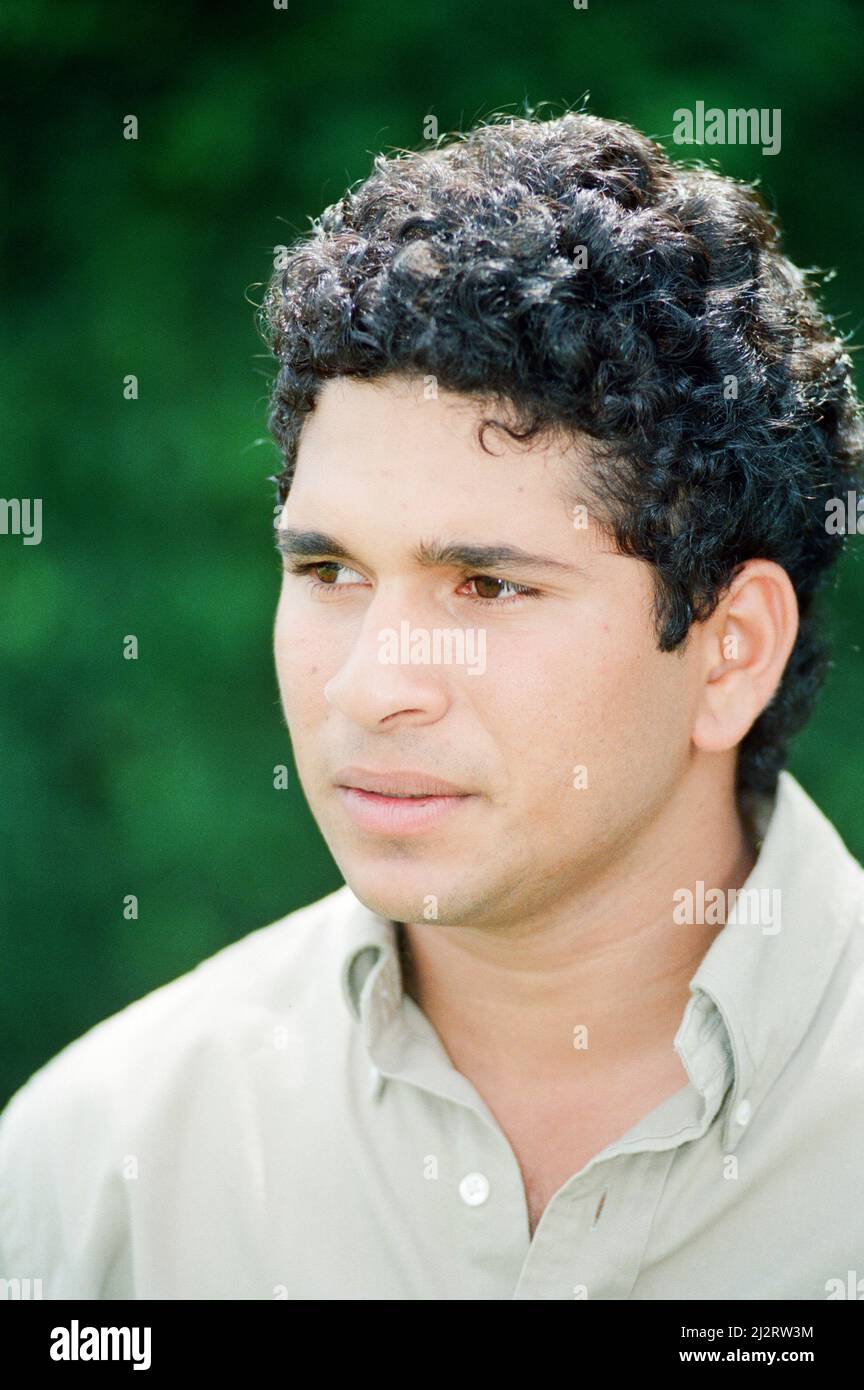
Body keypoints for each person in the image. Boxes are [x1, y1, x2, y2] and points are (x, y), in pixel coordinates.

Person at [2, 110, 863, 1301]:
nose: (369, 684)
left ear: (729, 652)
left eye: (491, 585)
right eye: (330, 573)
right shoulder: (98, 1176)